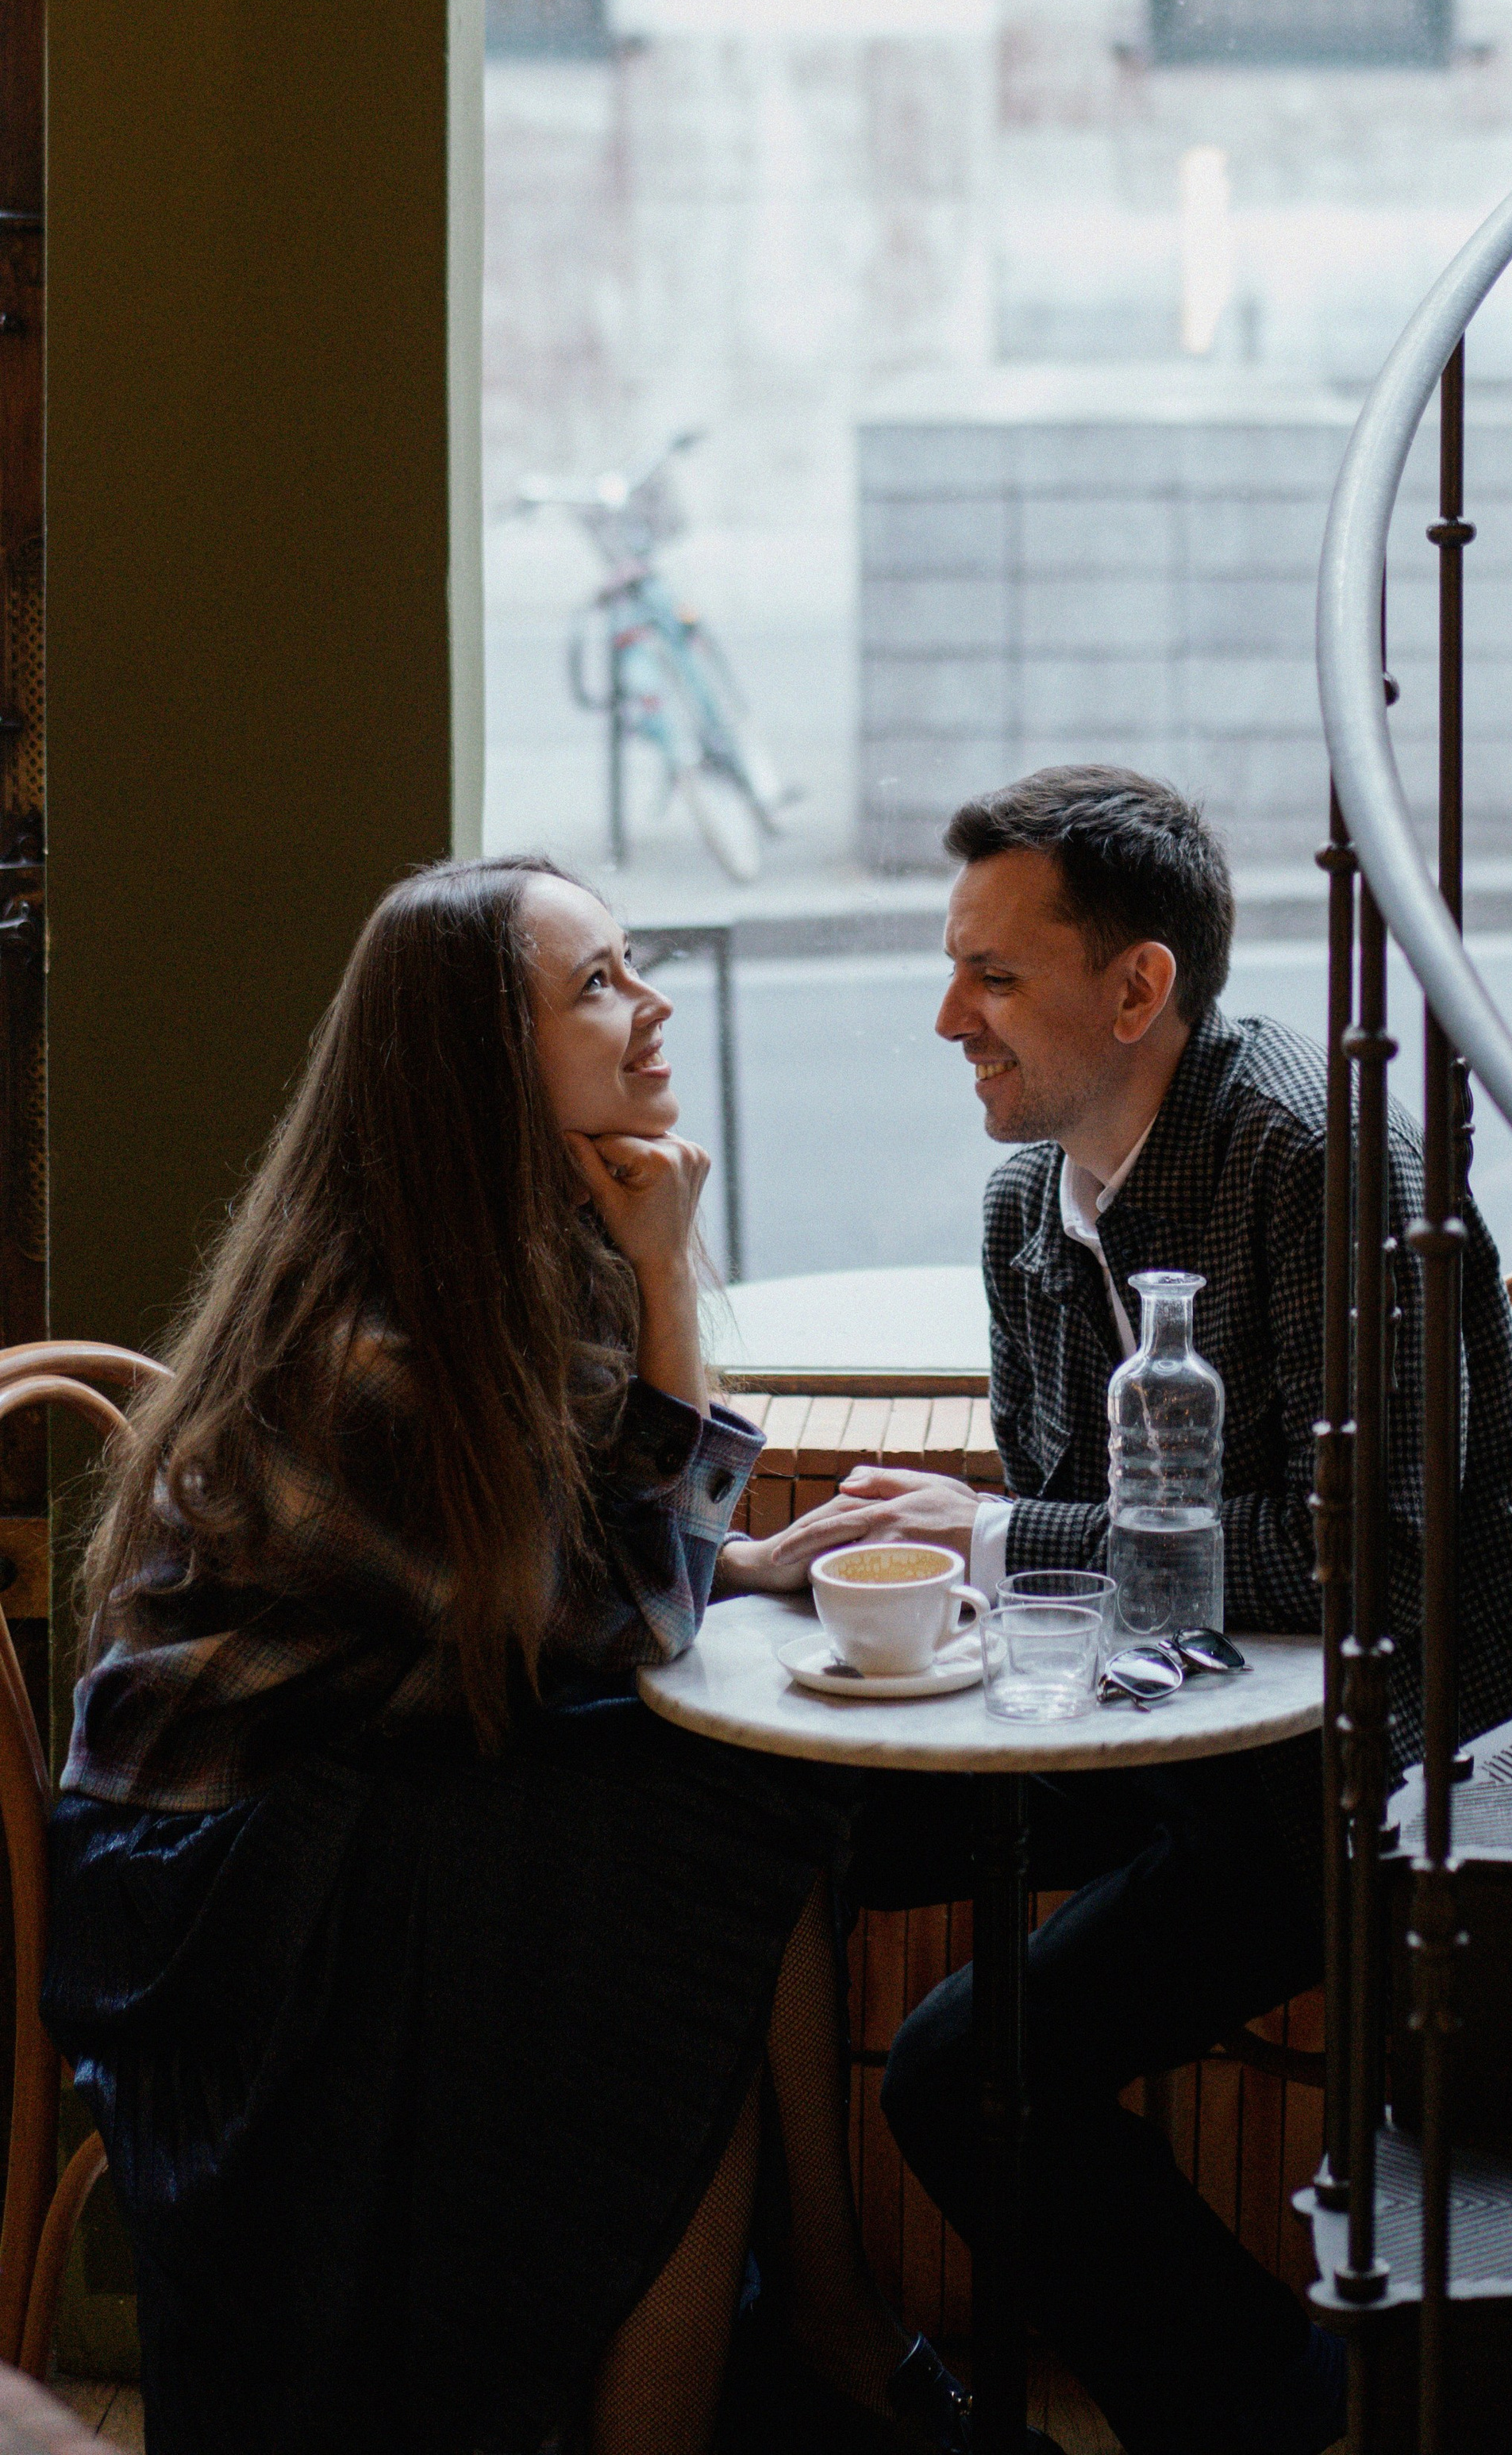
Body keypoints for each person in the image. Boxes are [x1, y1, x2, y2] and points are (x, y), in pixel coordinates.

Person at [44, 856, 980, 2455]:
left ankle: (796, 2322)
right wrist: (668, 1290)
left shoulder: (502, 1255)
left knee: (729, 1819)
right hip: (219, 1878)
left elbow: (575, 1592)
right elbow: (621, 1621)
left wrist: (730, 1553)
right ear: (482, 1064)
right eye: (598, 983)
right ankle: (796, 2332)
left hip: (374, 1777)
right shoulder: (369, 1348)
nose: (653, 1002)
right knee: (693, 1859)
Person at [768, 768, 1512, 2455]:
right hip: (1174, 1731)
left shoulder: (1326, 1163)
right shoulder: (1021, 1206)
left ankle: (1260, 2413)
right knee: (758, 1827)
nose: (942, 1019)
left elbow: (1384, 1569)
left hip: (1381, 1772)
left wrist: (995, 1542)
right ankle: (794, 2348)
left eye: (991, 977)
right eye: (950, 967)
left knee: (962, 2075)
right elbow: (1081, 1554)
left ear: (1137, 991)